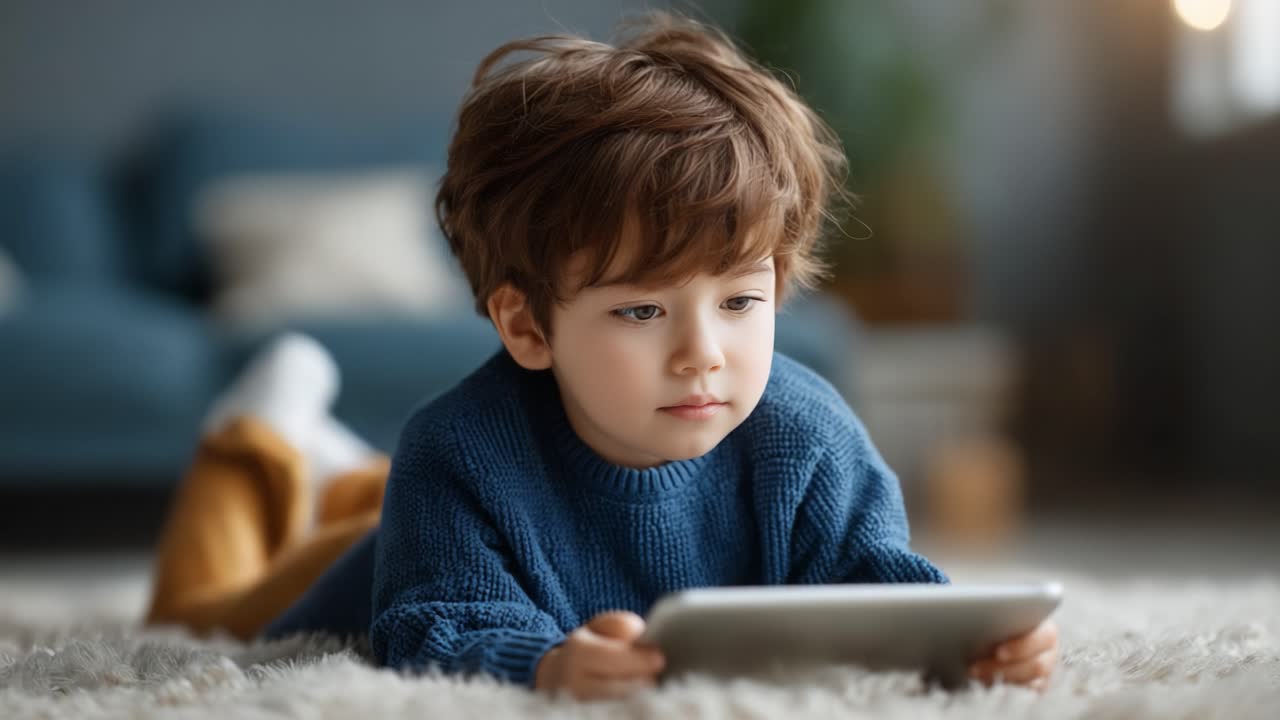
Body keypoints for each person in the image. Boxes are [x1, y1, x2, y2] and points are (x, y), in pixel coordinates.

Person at [145, 11, 1059, 699]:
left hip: (439, 515)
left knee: (377, 500)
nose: (704, 355)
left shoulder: (807, 434)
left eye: (741, 300)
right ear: (528, 328)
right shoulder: (458, 452)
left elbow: (876, 584)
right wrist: (542, 662)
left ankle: (336, 465)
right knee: (213, 607)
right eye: (642, 311)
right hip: (394, 553)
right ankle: (254, 442)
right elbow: (430, 622)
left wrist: (973, 641)